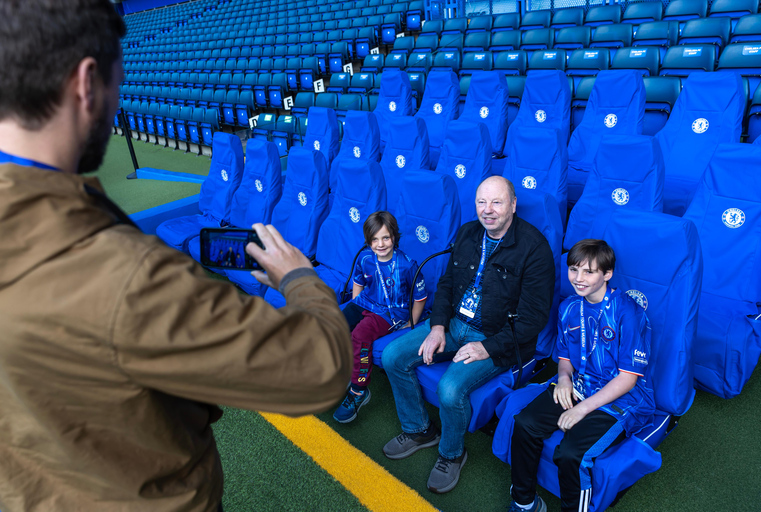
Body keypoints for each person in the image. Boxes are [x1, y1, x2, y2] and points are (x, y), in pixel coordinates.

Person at [0, 2, 352, 511]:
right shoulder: (121, 275)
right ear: (86, 82)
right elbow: (322, 366)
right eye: (119, 79)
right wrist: (299, 277)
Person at [381, 176, 556, 494]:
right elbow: (447, 284)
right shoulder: (467, 232)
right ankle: (420, 429)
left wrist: (487, 348)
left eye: (497, 202)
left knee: (450, 389)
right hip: (452, 325)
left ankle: (452, 454)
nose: (488, 210)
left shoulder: (535, 250)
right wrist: (436, 327)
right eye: (481, 202)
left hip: (497, 338)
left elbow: (533, 320)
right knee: (393, 355)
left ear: (513, 205)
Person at [507, 239, 654, 512]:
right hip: (579, 386)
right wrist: (563, 378)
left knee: (572, 453)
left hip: (622, 400)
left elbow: (628, 379)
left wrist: (582, 410)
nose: (578, 278)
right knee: (526, 423)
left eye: (589, 272)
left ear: (607, 274)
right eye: (573, 270)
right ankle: (524, 502)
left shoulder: (628, 313)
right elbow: (564, 357)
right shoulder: (569, 308)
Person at [333, 211, 427, 424]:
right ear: (368, 241)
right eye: (374, 239)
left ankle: (358, 390)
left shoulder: (408, 265)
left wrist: (409, 324)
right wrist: (356, 305)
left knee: (359, 336)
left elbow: (420, 298)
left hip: (390, 313)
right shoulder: (365, 257)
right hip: (366, 302)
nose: (381, 244)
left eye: (386, 237)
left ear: (394, 236)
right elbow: (358, 282)